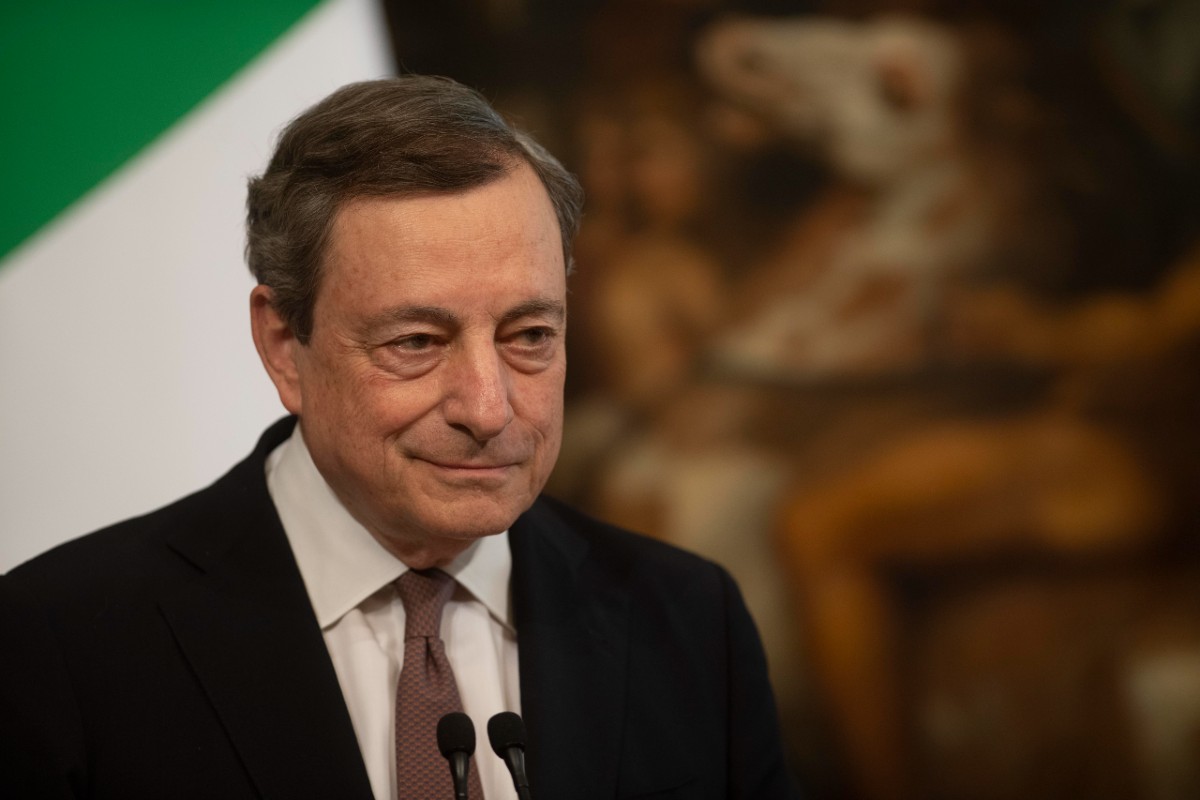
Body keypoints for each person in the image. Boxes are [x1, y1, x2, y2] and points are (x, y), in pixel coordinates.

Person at [0, 75, 797, 800]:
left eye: (528, 335)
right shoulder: (58, 645)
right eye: (416, 342)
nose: (488, 408)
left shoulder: (690, 620)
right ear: (283, 346)